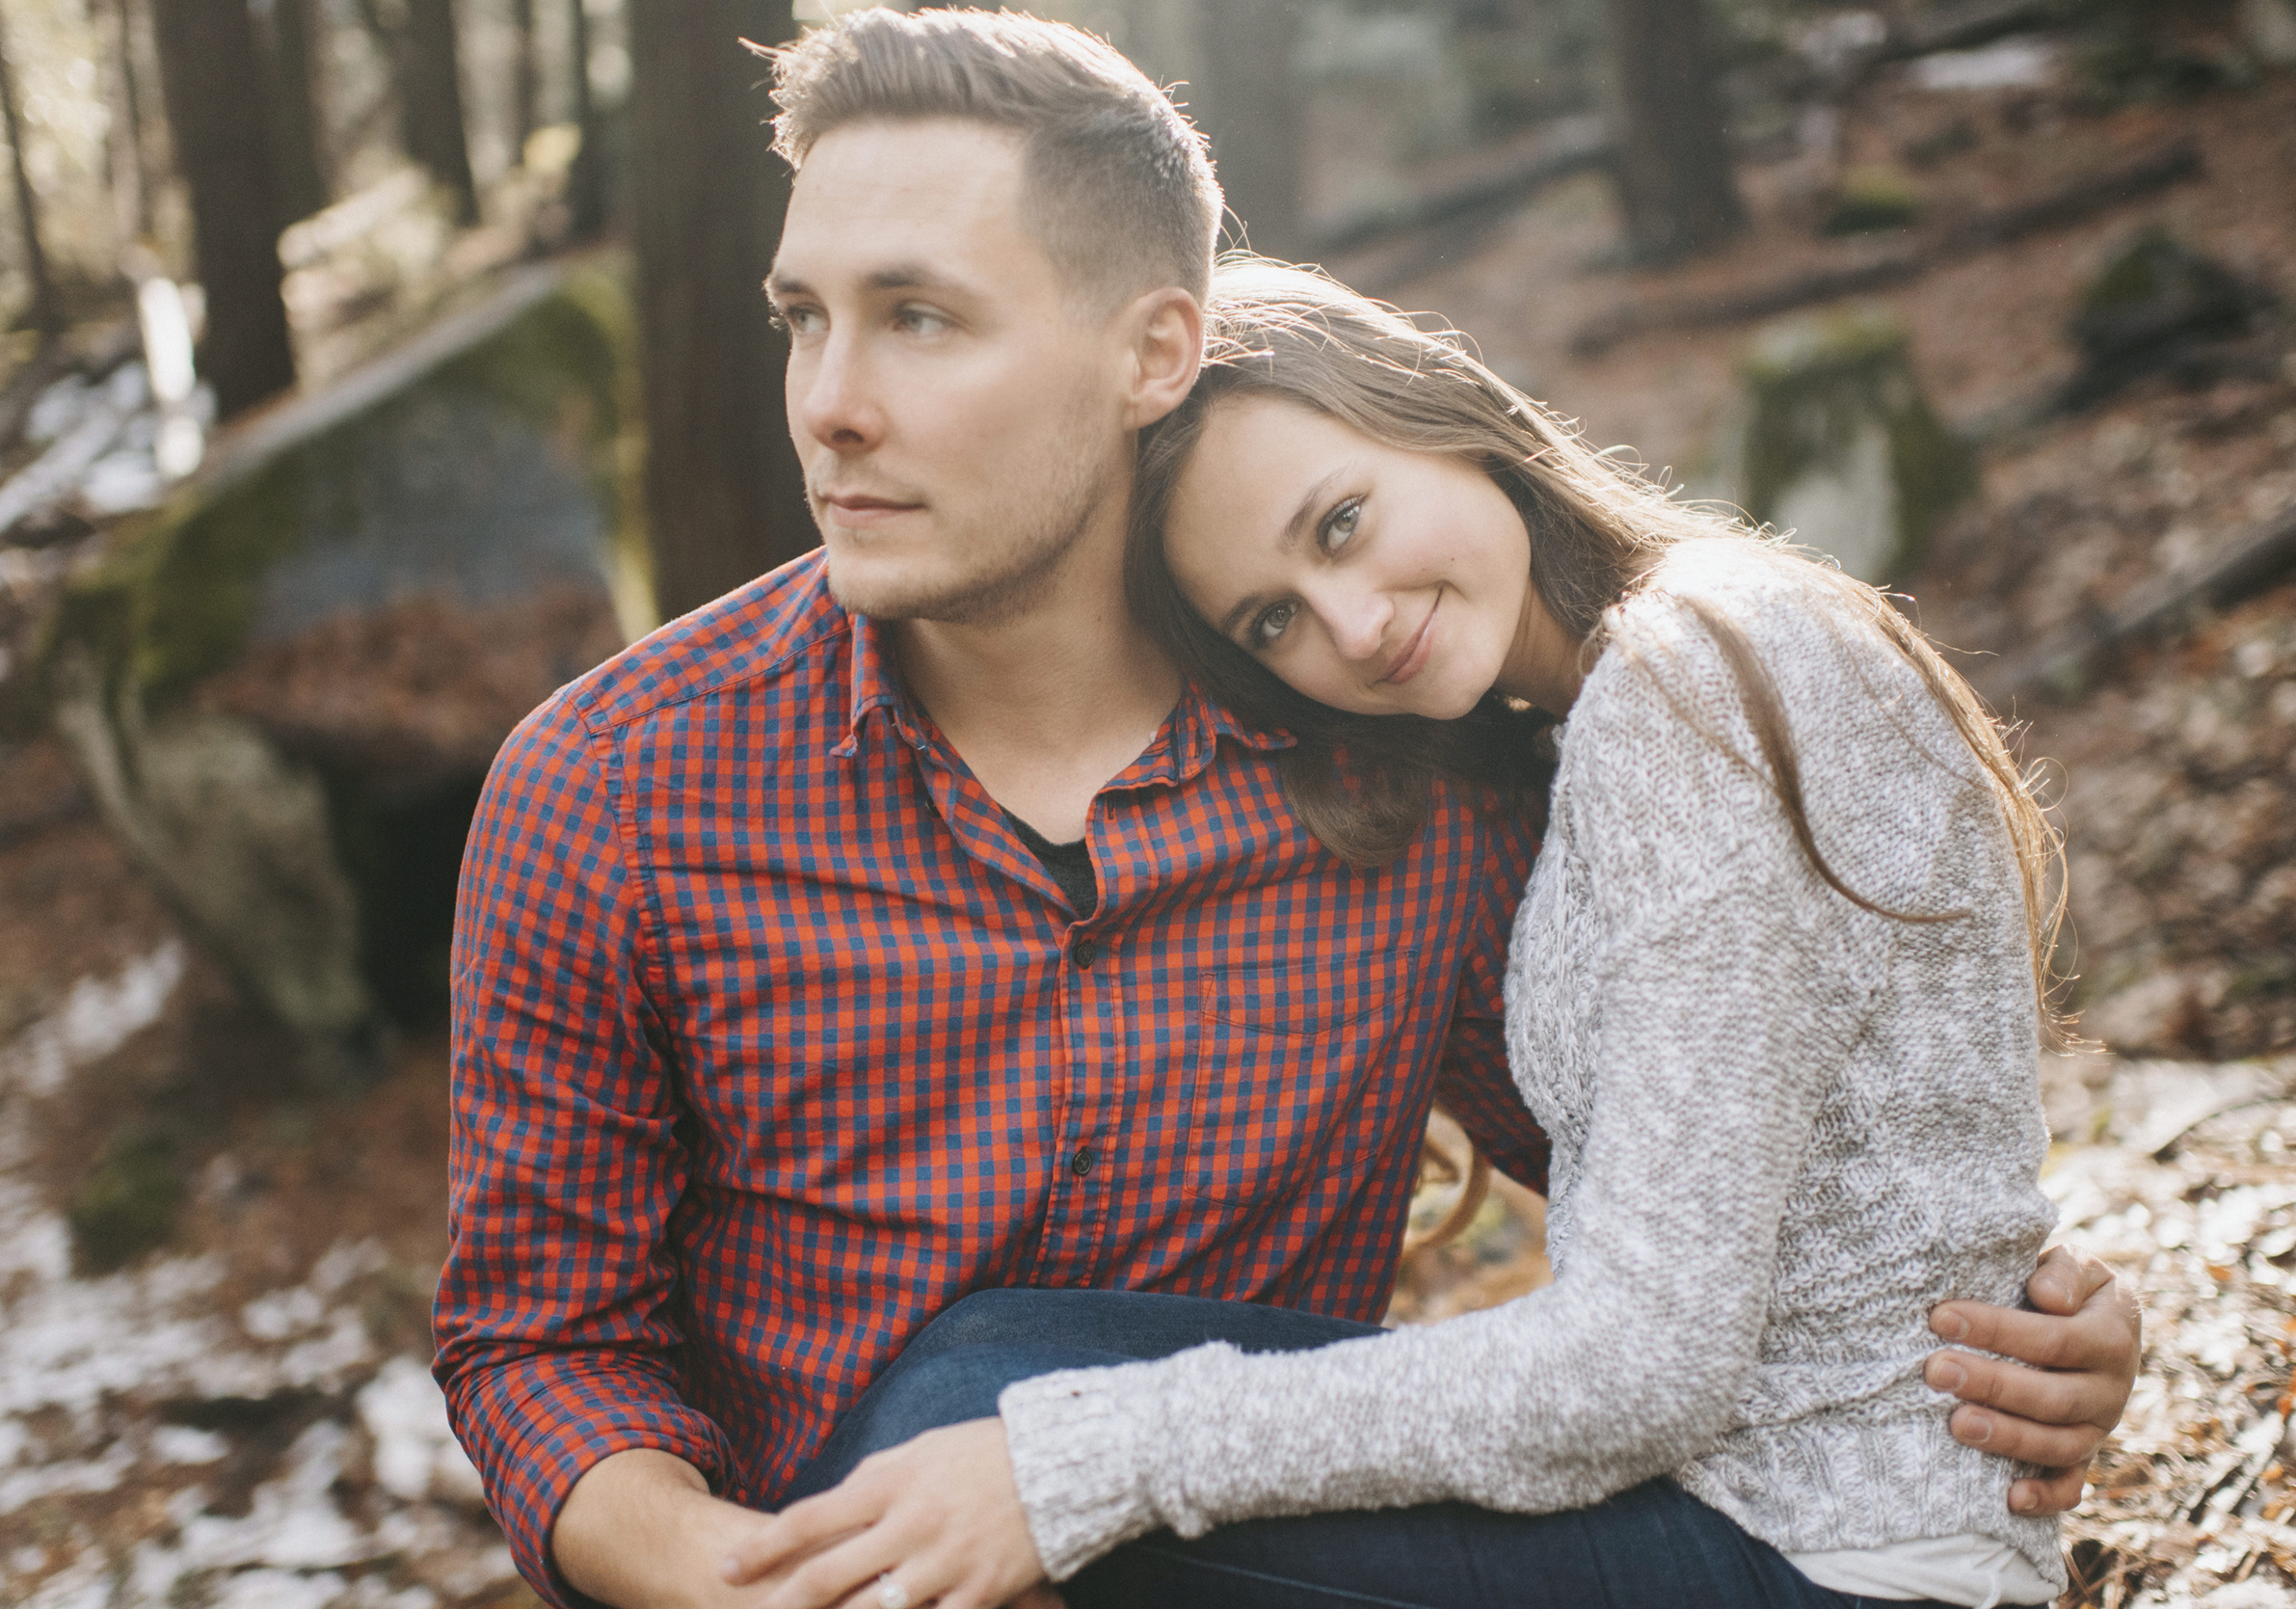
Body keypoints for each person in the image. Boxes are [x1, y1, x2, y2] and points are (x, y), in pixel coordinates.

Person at [432, 13, 2137, 1609]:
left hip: (1292, 1546)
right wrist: (750, 1581)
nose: (829, 401)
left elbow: (1698, 1187)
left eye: (921, 316)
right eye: (804, 317)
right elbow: (533, 1343)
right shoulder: (611, 789)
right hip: (827, 1567)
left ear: (1152, 350)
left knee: (988, 1381)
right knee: (977, 1386)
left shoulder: (1415, 774)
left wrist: (2018, 1311)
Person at [719, 261, 2103, 1609]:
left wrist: (1082, 1462)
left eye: (1339, 524)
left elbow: (1639, 1368)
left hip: (1827, 1554)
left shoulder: (1695, 683)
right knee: (991, 1365)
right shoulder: (1618, 701)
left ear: (1433, 403)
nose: (1356, 623)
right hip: (1753, 1506)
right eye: (1275, 619)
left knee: (989, 1418)